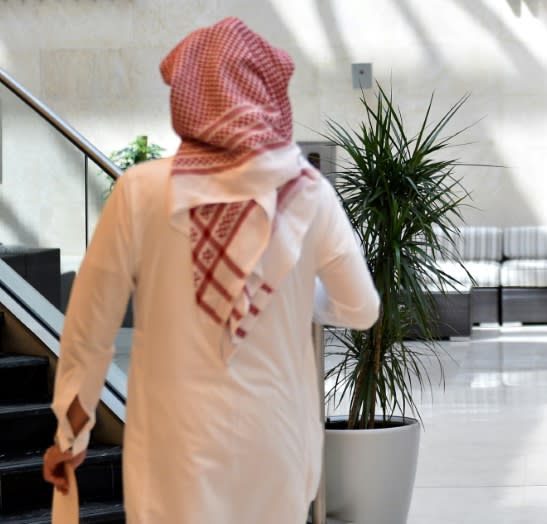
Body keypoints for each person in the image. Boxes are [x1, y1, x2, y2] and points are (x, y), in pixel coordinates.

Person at [42, 17, 380, 523]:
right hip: (276, 448)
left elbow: (90, 330)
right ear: (270, 94)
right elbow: (362, 309)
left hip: (174, 455)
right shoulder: (309, 193)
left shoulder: (141, 192)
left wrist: (71, 435)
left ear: (186, 94)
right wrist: (287, 293)